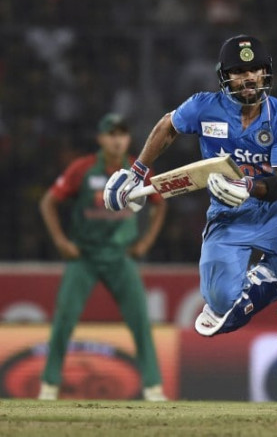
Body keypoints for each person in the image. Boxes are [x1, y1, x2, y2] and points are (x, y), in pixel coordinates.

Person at [103, 35, 277, 414]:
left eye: (255, 70)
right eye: (239, 72)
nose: (249, 78)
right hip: (228, 218)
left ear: (266, 73)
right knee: (220, 308)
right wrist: (137, 172)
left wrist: (250, 187)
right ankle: (271, 278)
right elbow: (167, 126)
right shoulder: (203, 108)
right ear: (225, 77)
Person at [38, 113, 168, 401]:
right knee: (64, 320)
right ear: (100, 139)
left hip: (120, 257)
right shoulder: (82, 169)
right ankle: (48, 386)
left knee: (140, 321)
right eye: (111, 134)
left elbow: (160, 203)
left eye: (122, 134)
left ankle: (153, 387)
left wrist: (146, 241)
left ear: (129, 138)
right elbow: (48, 201)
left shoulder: (139, 171)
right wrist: (61, 241)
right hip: (84, 256)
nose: (117, 139)